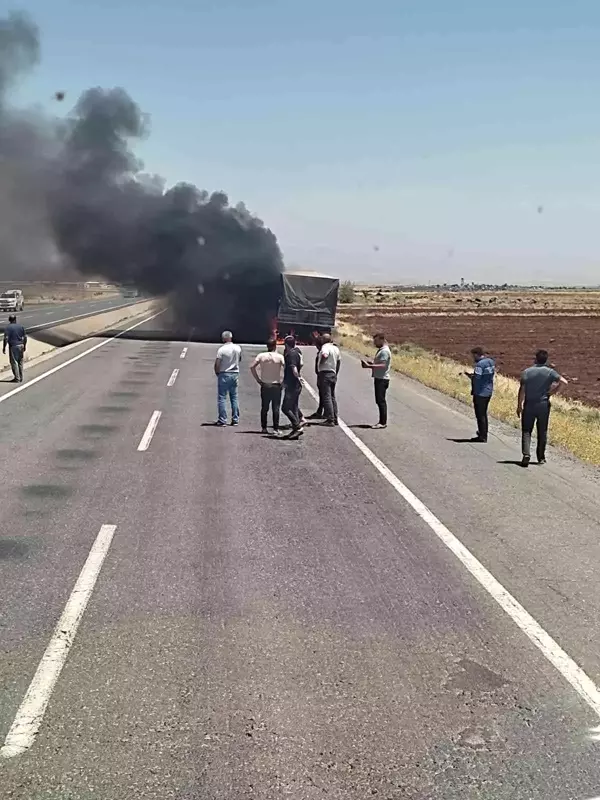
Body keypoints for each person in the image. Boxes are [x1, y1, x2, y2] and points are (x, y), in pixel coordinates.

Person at [517, 349, 568, 467]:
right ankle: (541, 457)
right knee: (542, 431)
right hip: (543, 404)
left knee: (526, 430)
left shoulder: (527, 372)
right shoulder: (550, 372)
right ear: (546, 360)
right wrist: (552, 392)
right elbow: (564, 382)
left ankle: (526, 454)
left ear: (535, 359)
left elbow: (522, 390)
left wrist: (519, 405)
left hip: (529, 404)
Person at [250, 338, 285, 434]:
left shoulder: (261, 356)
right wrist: (284, 381)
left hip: (265, 384)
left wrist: (258, 379)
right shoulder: (279, 357)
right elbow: (287, 368)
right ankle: (276, 428)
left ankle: (264, 427)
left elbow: (252, 366)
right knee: (276, 407)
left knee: (264, 407)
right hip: (276, 384)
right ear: (275, 346)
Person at [464, 346, 495, 442]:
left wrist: (470, 376)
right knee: (483, 414)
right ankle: (483, 432)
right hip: (488, 391)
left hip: (480, 393)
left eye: (473, 356)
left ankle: (482, 435)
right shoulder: (490, 362)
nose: (473, 358)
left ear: (476, 355)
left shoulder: (479, 365)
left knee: (480, 414)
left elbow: (477, 378)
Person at [361, 333, 391, 428]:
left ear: (382, 340)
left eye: (376, 341)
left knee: (381, 401)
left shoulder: (384, 351)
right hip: (379, 378)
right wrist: (372, 363)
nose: (375, 343)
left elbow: (383, 365)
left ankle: (382, 422)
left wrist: (369, 366)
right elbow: (381, 363)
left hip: (382, 379)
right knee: (379, 400)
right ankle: (382, 422)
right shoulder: (382, 350)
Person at [214, 330, 242, 426]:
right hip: (234, 373)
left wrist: (217, 372)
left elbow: (217, 363)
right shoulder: (238, 348)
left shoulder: (221, 350)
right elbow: (240, 359)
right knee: (234, 397)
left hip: (224, 373)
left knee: (222, 398)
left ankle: (222, 420)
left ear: (224, 338)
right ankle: (235, 419)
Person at [281, 335, 304, 437]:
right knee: (294, 406)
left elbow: (293, 368)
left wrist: (297, 376)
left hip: (292, 385)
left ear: (286, 344)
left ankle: (297, 426)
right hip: (296, 385)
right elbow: (301, 364)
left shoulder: (290, 355)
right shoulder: (297, 352)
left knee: (285, 408)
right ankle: (296, 430)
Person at [317, 333, 341, 426]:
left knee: (326, 396)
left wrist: (321, 364)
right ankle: (335, 418)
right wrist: (336, 372)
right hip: (333, 373)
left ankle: (330, 419)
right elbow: (338, 361)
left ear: (324, 340)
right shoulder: (336, 348)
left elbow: (324, 355)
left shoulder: (325, 347)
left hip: (325, 373)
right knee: (332, 396)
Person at [3, 314, 27, 383]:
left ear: (9, 320)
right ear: (15, 320)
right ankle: (21, 377)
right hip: (21, 345)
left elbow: (6, 338)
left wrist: (4, 347)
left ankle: (17, 378)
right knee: (20, 361)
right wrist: (24, 345)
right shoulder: (21, 327)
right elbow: (25, 337)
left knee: (14, 362)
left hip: (13, 346)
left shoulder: (8, 328)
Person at [307, 334, 324, 420]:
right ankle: (321, 411)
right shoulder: (321, 352)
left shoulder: (321, 352)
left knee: (323, 394)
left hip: (322, 375)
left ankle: (323, 412)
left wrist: (318, 373)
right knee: (323, 394)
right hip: (321, 375)